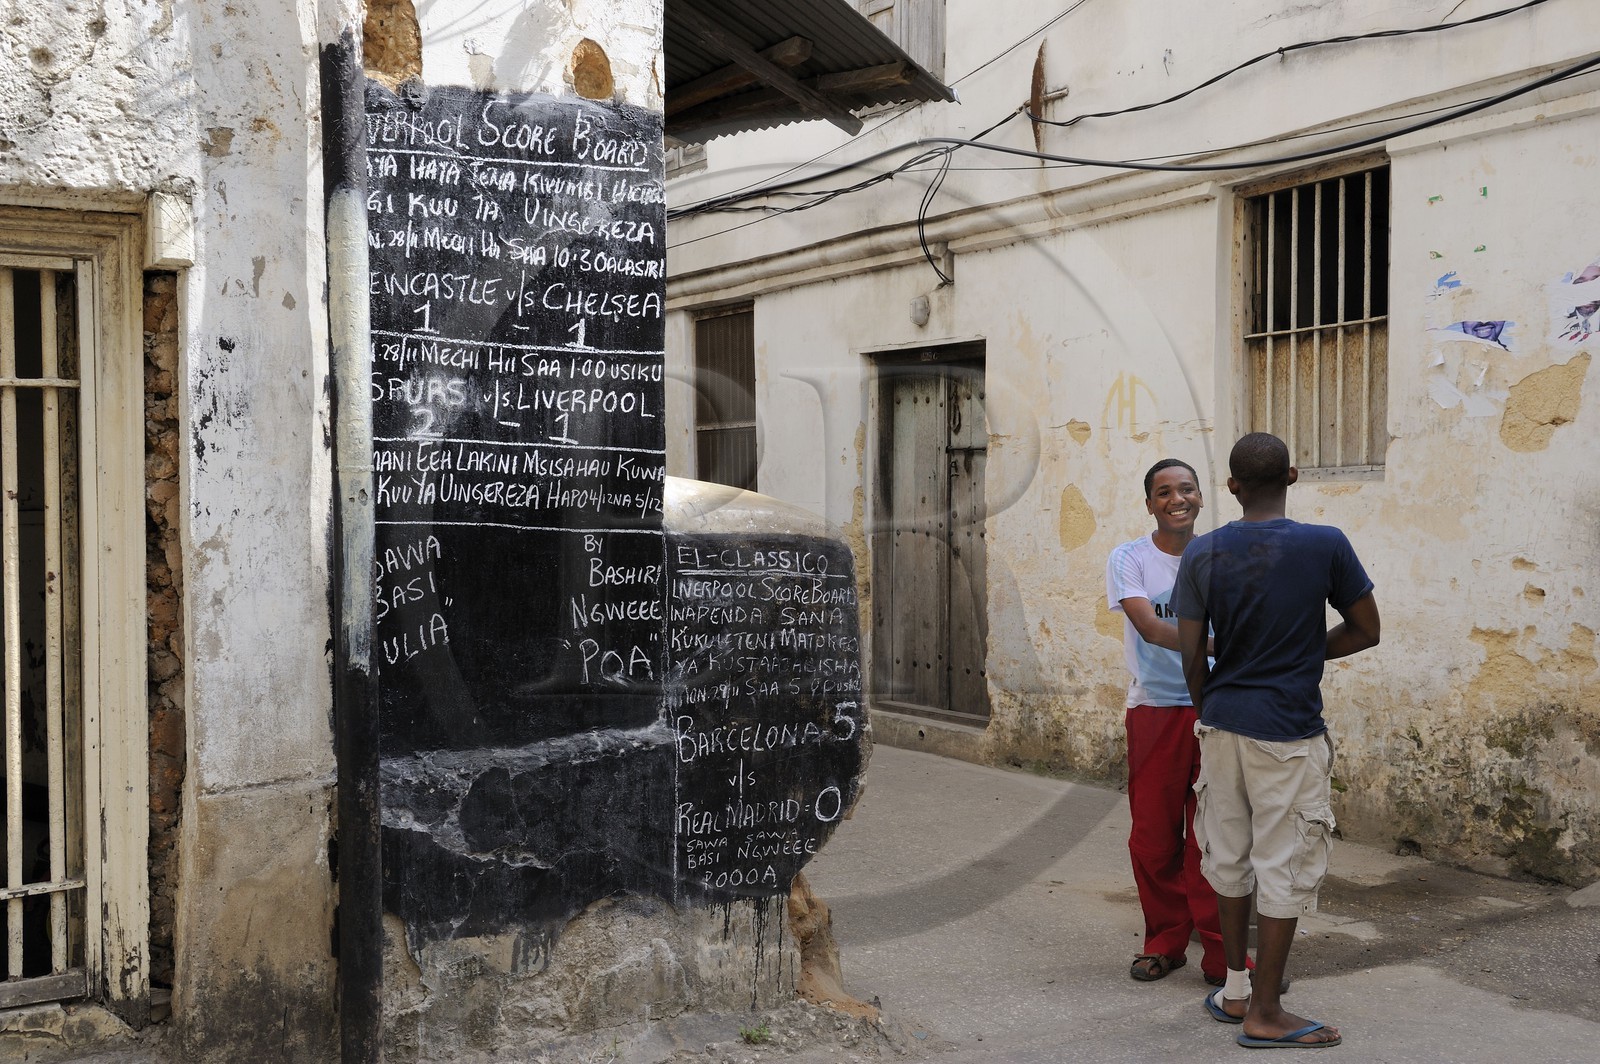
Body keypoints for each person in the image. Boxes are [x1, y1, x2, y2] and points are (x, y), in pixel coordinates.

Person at [1174, 433, 1380, 1049]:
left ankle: (1237, 989)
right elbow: (1367, 629)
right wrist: (1298, 655)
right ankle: (1266, 1011)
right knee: (1284, 863)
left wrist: (1210, 707)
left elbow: (1190, 653)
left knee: (1229, 857)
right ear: (1292, 474)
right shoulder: (1326, 544)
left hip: (1222, 725)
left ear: (1231, 487)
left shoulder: (1203, 552)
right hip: (1287, 730)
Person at [1105, 458, 1227, 985]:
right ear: (1150, 503)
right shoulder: (1129, 558)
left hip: (1217, 709)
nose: (1177, 499)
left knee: (1215, 839)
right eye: (1163, 492)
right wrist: (1227, 645)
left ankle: (1226, 958)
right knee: (1154, 837)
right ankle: (1165, 941)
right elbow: (1151, 629)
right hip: (1155, 709)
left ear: (1201, 497)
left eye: (1187, 489)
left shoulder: (1221, 556)